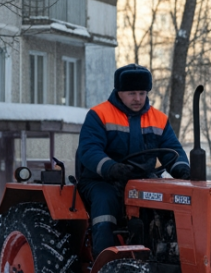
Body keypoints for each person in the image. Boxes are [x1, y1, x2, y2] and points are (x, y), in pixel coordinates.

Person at [77, 64, 191, 255]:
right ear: (119, 92)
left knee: (168, 203)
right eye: (132, 93)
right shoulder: (99, 115)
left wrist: (182, 169)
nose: (137, 98)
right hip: (102, 180)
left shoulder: (159, 119)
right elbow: (89, 150)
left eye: (142, 93)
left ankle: (164, 254)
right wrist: (111, 167)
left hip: (144, 180)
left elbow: (173, 149)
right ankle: (105, 261)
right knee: (105, 204)